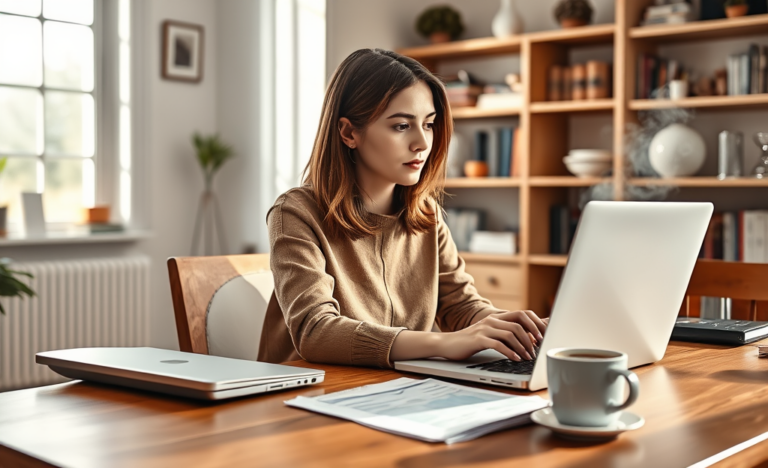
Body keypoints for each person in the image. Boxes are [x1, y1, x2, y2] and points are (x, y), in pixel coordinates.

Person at [259, 48, 547, 368]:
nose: (423, 143)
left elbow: (461, 307)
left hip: (396, 391)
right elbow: (315, 331)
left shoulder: (426, 215)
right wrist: (445, 343)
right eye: (401, 126)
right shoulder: (296, 213)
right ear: (349, 132)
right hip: (307, 396)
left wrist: (518, 329)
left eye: (428, 124)